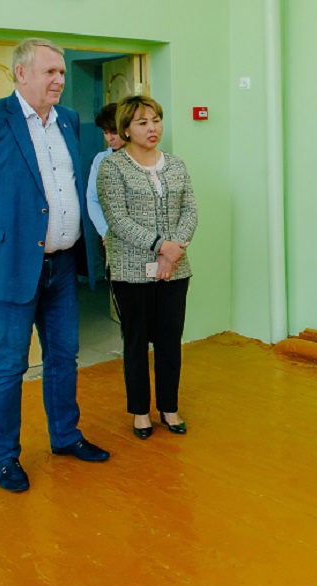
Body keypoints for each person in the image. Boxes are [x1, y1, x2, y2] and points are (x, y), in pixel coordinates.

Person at [0, 38, 110, 492]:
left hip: (63, 266)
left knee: (63, 357)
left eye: (62, 72)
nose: (59, 80)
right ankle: (5, 457)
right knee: (9, 364)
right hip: (12, 266)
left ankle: (66, 436)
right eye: (50, 71)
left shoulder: (67, 120)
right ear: (21, 73)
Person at [97, 95, 198, 439]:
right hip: (130, 269)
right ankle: (140, 412)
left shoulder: (176, 164)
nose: (152, 128)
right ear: (126, 129)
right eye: (142, 123)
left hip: (175, 269)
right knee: (136, 341)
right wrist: (161, 246)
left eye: (156, 120)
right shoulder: (112, 167)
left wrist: (172, 252)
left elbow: (190, 211)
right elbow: (117, 218)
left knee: (170, 340)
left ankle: (169, 408)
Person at [86, 103, 125, 242]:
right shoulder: (100, 159)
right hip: (111, 235)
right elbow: (92, 198)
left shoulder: (143, 156)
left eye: (113, 132)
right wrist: (106, 231)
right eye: (105, 132)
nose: (109, 138)